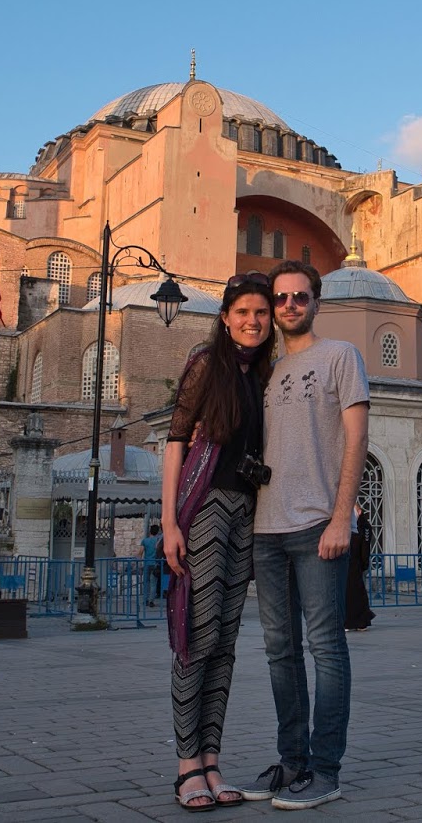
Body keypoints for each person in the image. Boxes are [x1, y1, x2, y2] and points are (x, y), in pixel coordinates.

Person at [240, 261, 369, 811]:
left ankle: (326, 769)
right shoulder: (263, 370)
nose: (290, 305)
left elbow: (357, 439)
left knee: (326, 648)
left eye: (300, 296)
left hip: (319, 524)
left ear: (316, 302)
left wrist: (342, 518)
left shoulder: (341, 357)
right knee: (279, 651)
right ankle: (291, 761)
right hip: (266, 530)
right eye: (282, 298)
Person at [160, 272, 276, 811]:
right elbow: (176, 442)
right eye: (244, 312)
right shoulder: (207, 366)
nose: (253, 321)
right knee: (198, 636)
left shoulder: (263, 375)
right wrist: (170, 523)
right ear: (226, 317)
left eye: (261, 313)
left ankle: (212, 761)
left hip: (246, 512)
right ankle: (186, 766)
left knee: (226, 643)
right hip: (204, 508)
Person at [344, 503, 375, 632]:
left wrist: (364, 564)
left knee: (357, 593)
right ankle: (350, 621)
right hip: (347, 564)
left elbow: (365, 547)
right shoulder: (347, 526)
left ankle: (360, 621)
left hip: (356, 565)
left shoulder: (364, 527)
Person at [141, 522, 164, 607]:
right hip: (156, 563)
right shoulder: (159, 540)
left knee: (146, 582)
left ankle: (145, 599)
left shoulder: (145, 541)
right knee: (153, 583)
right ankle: (151, 600)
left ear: (150, 531)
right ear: (158, 532)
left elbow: (140, 552)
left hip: (147, 563)